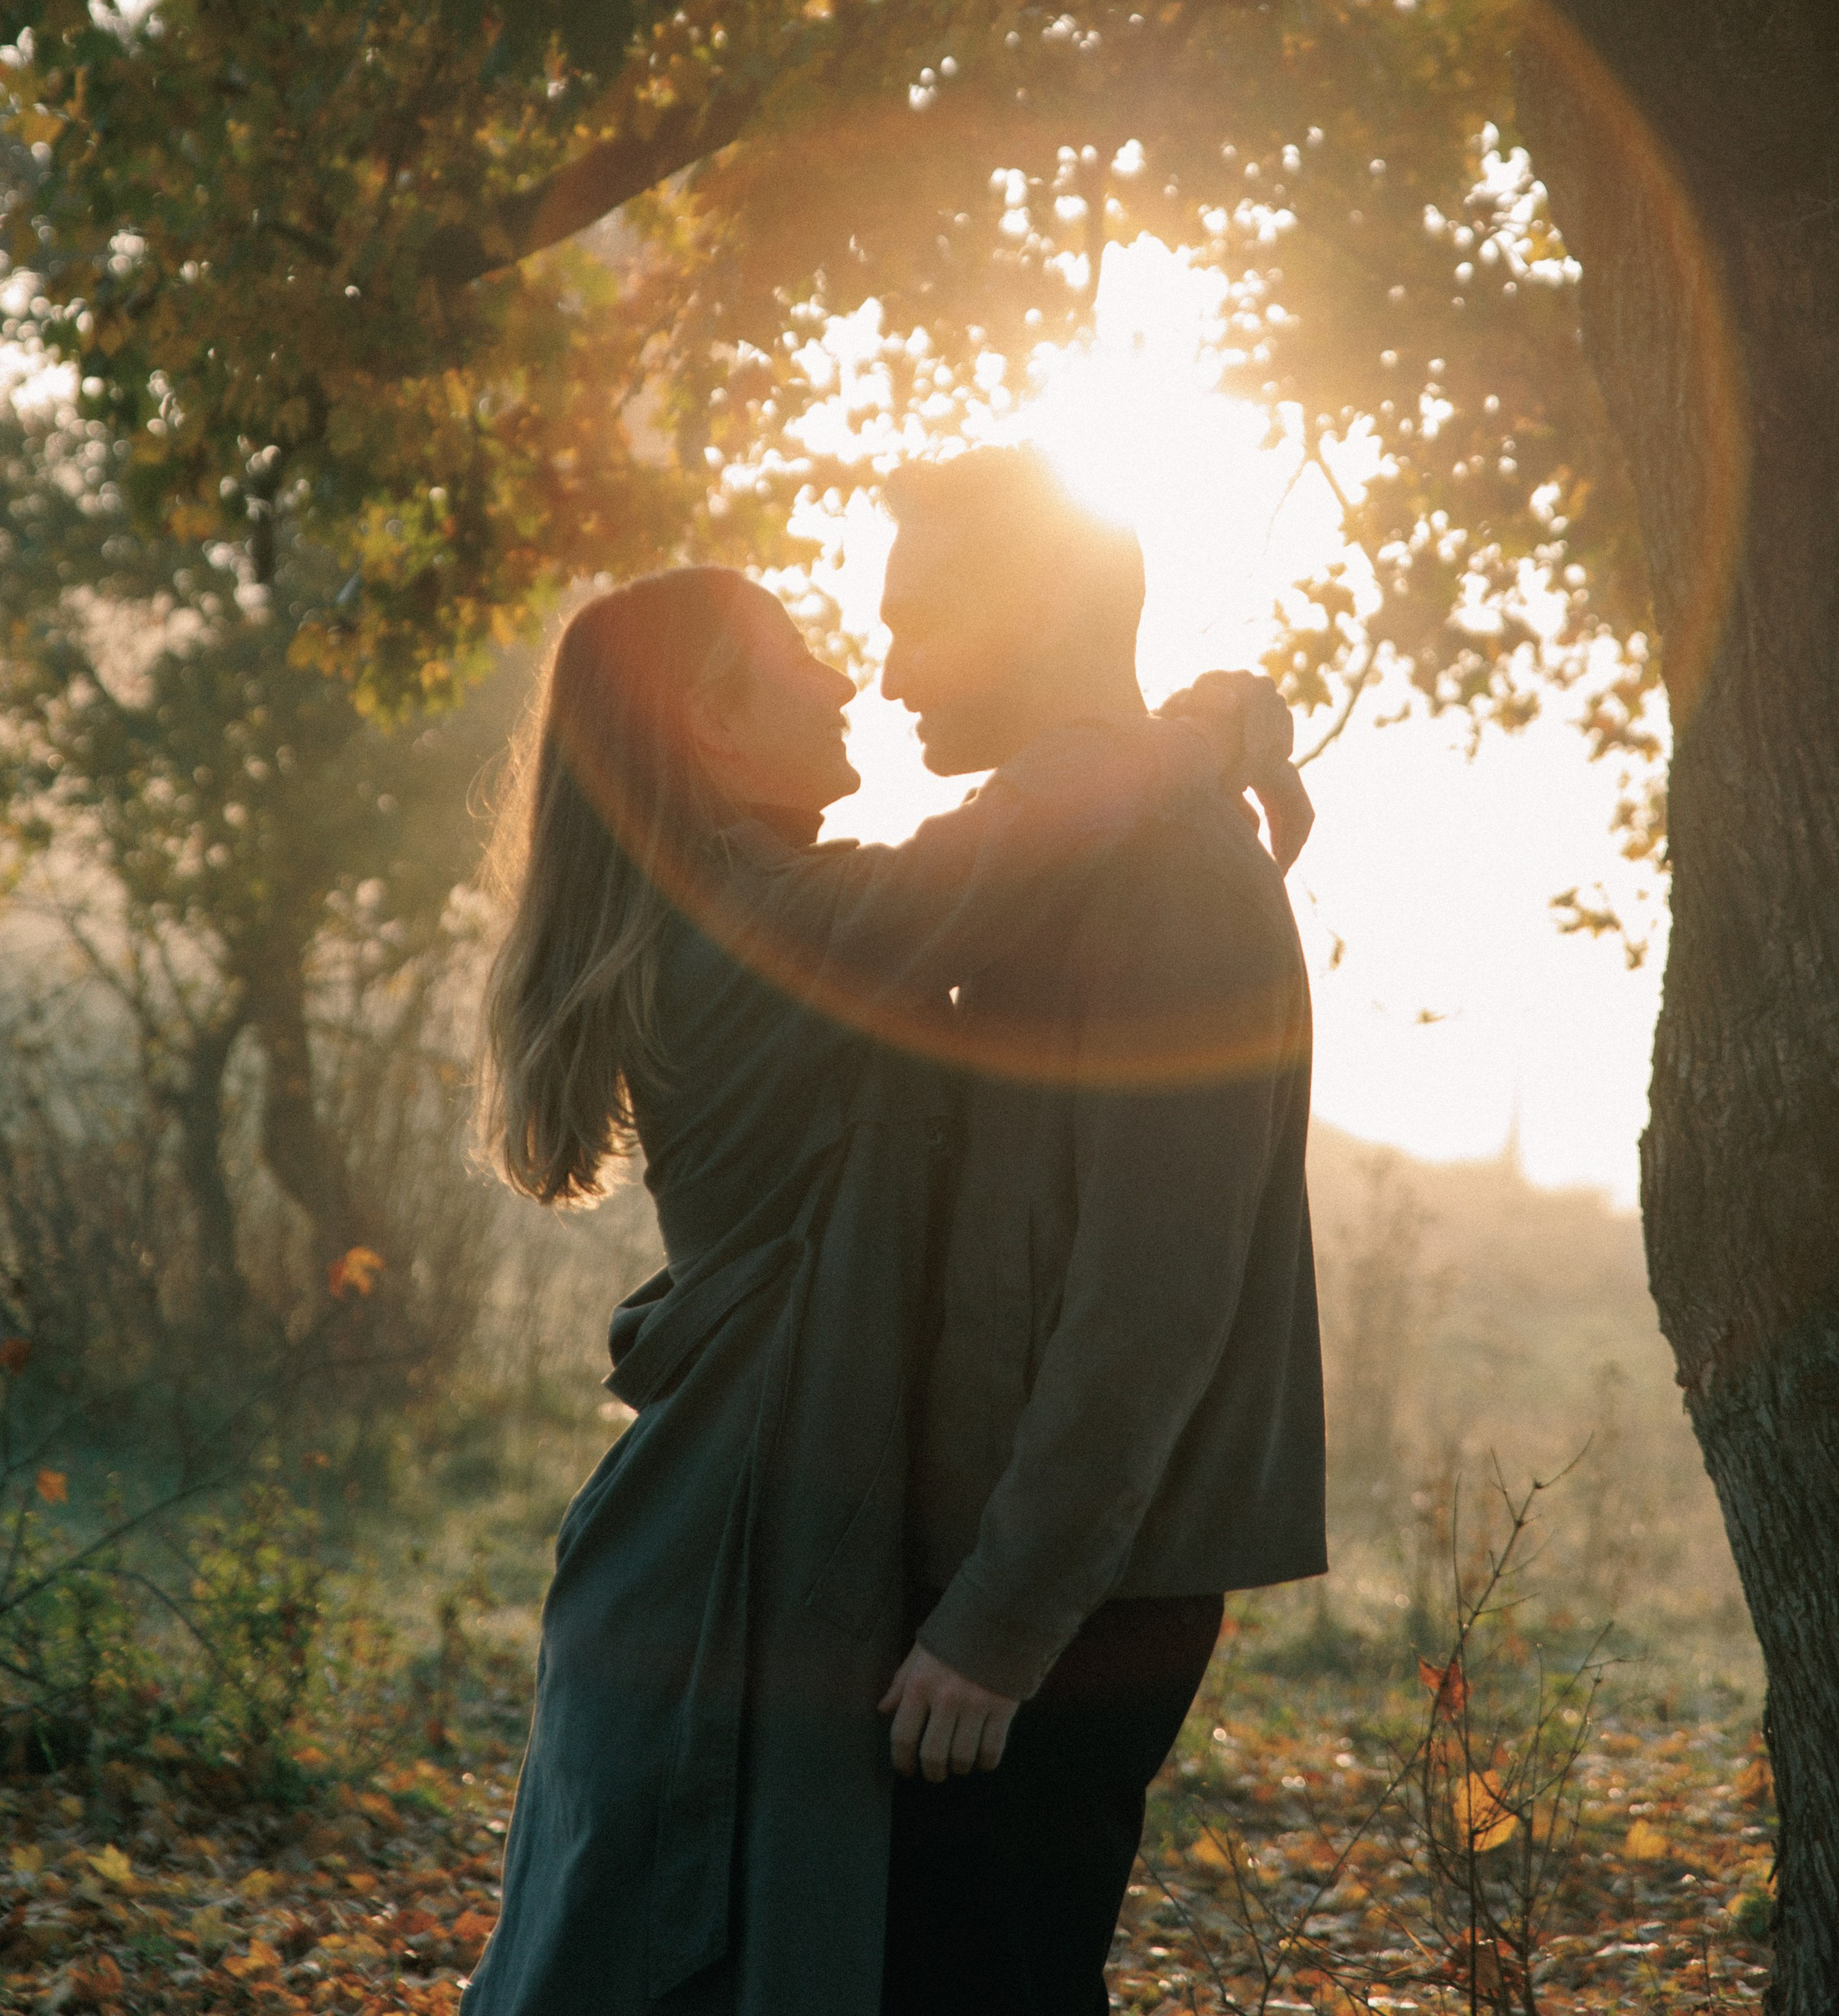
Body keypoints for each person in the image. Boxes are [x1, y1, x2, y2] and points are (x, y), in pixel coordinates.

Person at [460, 561, 1304, 2016]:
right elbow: (1007, 848)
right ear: (712, 731)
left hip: (754, 1526)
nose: (854, 677)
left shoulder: (770, 907)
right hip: (724, 1552)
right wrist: (1197, 738)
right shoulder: (759, 932)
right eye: (799, 656)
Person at [872, 449, 1328, 2016]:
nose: (884, 675)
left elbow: (1153, 1294)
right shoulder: (1045, 848)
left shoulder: (1181, 885)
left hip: (1071, 1602)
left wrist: (1000, 1625)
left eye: (920, 621)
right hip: (990, 1567)